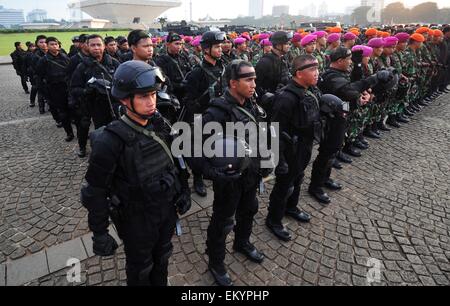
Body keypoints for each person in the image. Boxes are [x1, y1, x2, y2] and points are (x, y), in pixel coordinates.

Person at [81, 61, 191, 286]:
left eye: (152, 94)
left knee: (163, 257)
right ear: (124, 99)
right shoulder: (109, 140)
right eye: (142, 96)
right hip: (136, 219)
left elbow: (176, 160)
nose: (151, 102)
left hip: (166, 208)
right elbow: (95, 190)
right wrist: (99, 232)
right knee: (141, 268)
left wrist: (184, 189)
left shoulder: (160, 125)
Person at [194, 60, 268, 286]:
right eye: (248, 79)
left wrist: (267, 159)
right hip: (229, 180)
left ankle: (242, 242)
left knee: (249, 210)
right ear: (233, 83)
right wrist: (212, 173)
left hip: (251, 174)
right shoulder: (216, 113)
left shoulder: (251, 102)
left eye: (254, 79)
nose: (254, 84)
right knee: (223, 221)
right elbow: (195, 148)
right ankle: (216, 262)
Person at [266, 55, 323, 241]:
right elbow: (274, 131)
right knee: (284, 186)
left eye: (317, 69)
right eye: (312, 70)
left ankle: (291, 207)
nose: (317, 73)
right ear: (299, 73)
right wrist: (279, 159)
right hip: (289, 150)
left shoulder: (310, 91)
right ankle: (273, 219)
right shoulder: (286, 98)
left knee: (298, 179)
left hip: (304, 147)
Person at [182, 31, 227, 197]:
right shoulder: (196, 73)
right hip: (202, 117)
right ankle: (198, 177)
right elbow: (188, 100)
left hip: (220, 115)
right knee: (199, 149)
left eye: (221, 46)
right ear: (206, 49)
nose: (220, 49)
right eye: (217, 47)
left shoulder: (222, 67)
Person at [70, 34, 120, 158]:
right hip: (94, 105)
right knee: (95, 130)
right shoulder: (82, 67)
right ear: (87, 47)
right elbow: (74, 88)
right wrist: (87, 90)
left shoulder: (114, 63)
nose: (96, 48)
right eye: (92, 45)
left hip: (114, 103)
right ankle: (84, 148)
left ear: (104, 46)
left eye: (99, 44)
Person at [36, 37, 74, 142]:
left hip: (68, 88)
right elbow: (39, 79)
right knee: (63, 113)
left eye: (56, 44)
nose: (55, 46)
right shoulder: (43, 60)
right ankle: (69, 133)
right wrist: (46, 95)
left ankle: (81, 133)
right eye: (52, 44)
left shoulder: (65, 57)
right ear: (47, 46)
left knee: (75, 111)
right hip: (55, 90)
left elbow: (71, 72)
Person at [155, 32, 192, 100]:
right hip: (172, 95)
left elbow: (190, 71)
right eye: (176, 44)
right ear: (168, 44)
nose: (179, 46)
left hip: (187, 93)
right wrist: (179, 85)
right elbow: (163, 81)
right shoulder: (161, 60)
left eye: (180, 44)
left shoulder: (183, 57)